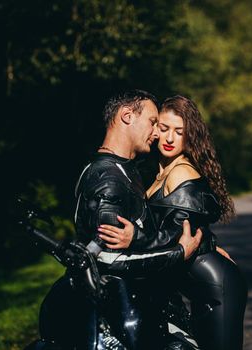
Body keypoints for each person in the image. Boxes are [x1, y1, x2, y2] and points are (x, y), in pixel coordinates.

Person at [40, 89, 203, 350]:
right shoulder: (108, 178)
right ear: (127, 116)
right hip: (125, 313)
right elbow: (108, 260)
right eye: (152, 123)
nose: (157, 133)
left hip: (137, 304)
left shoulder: (125, 169)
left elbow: (148, 230)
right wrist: (180, 253)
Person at [99, 95, 248, 350]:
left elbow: (179, 235)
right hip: (194, 280)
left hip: (216, 284)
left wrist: (135, 237)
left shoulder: (181, 172)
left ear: (189, 136)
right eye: (164, 128)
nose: (169, 138)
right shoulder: (156, 171)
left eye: (179, 132)